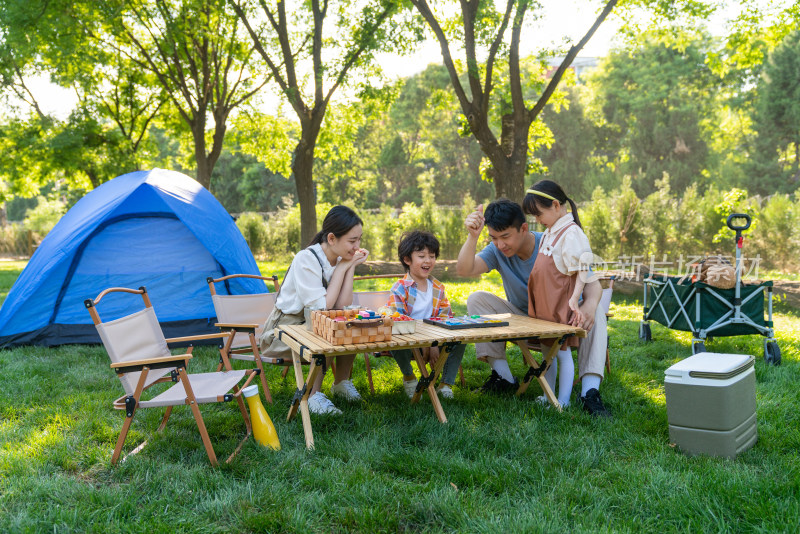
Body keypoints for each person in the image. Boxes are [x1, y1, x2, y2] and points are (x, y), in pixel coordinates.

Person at [456, 198, 611, 417]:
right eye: (494, 238)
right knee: (476, 298)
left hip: (561, 321)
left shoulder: (552, 242)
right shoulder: (496, 251)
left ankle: (589, 392)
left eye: (506, 237)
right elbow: (464, 269)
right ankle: (504, 378)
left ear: (524, 228)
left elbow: (592, 282)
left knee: (594, 309)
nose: (500, 244)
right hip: (524, 320)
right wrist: (473, 236)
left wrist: (591, 304)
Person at [258, 205, 369, 415]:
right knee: (326, 331)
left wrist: (349, 266)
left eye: (359, 240)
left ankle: (341, 383)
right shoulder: (306, 259)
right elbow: (322, 307)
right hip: (282, 332)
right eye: (352, 241)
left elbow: (341, 306)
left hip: (313, 323)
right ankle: (312, 395)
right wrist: (343, 267)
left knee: (349, 325)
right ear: (332, 238)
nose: (357, 246)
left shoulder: (339, 258)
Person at [523, 180, 594, 408]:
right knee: (547, 352)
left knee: (561, 352)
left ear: (555, 205)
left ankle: (562, 400)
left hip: (559, 302)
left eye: (538, 213)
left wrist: (574, 299)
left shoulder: (571, 233)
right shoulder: (549, 232)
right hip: (543, 302)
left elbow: (583, 267)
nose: (536, 220)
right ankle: (548, 393)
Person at [385, 231, 466, 399]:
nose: (428, 260)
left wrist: (434, 343)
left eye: (432, 256)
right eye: (421, 256)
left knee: (460, 339)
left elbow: (445, 318)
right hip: (407, 340)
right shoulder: (400, 288)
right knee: (394, 334)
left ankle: (445, 384)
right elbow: (399, 321)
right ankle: (409, 377)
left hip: (435, 338)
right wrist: (426, 344)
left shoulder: (437, 287)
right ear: (407, 260)